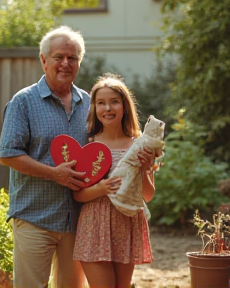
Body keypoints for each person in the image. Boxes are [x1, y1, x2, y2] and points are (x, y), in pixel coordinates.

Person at [0, 26, 90, 288]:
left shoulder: (89, 103)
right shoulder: (23, 102)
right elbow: (8, 154)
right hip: (34, 218)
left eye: (72, 58)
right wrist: (54, 173)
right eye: (58, 56)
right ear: (43, 60)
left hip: (76, 219)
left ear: (79, 63)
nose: (65, 63)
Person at [73, 73, 156, 288]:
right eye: (101, 103)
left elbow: (147, 195)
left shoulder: (139, 145)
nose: (107, 108)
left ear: (125, 106)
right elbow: (78, 194)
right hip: (94, 226)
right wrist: (101, 188)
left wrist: (146, 169)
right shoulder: (87, 144)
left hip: (126, 224)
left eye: (114, 102)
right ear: (94, 108)